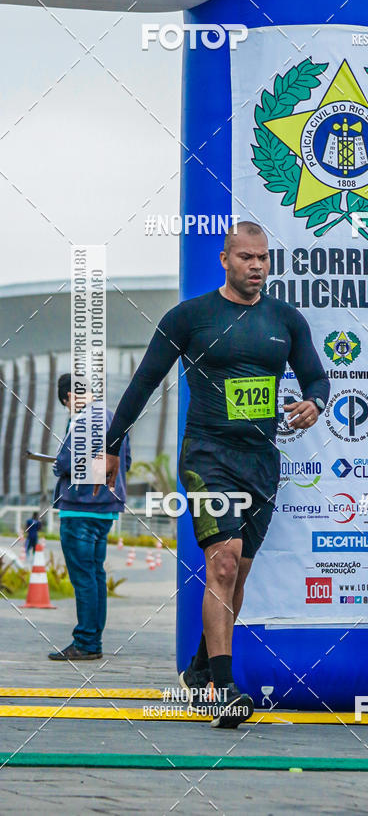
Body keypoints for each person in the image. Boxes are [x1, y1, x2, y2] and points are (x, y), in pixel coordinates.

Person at [100, 222, 330, 728]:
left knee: (239, 573)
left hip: (261, 461)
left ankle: (201, 668)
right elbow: (145, 380)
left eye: (263, 258)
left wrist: (316, 402)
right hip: (208, 456)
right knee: (222, 565)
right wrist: (112, 445)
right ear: (225, 260)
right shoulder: (190, 317)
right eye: (246, 257)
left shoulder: (285, 319)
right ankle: (224, 690)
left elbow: (316, 376)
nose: (257, 266)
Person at [50, 373, 131, 661]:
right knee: (95, 575)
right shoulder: (113, 418)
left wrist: (57, 466)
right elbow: (125, 461)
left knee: (84, 578)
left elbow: (65, 462)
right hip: (106, 509)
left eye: (66, 403)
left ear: (70, 396)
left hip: (79, 508)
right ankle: (92, 639)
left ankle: (86, 642)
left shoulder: (82, 419)